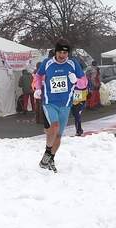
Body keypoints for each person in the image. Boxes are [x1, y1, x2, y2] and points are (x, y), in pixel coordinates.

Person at [33, 38, 88, 173]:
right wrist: (38, 88)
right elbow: (38, 76)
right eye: (59, 53)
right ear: (55, 52)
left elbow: (84, 82)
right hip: (49, 101)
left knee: (58, 136)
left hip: (66, 103)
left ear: (68, 53)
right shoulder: (47, 63)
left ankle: (50, 158)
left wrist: (76, 81)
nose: (62, 56)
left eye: (64, 53)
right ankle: (47, 154)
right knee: (55, 127)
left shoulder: (73, 64)